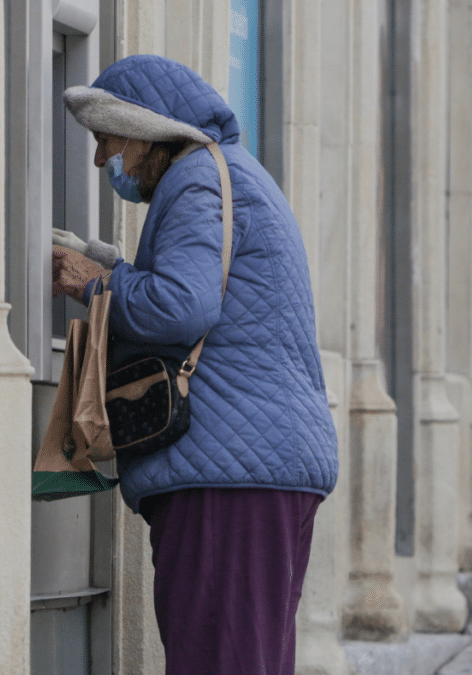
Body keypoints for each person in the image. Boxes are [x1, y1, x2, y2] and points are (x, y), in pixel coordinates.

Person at [51, 54, 338, 675]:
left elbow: (180, 307)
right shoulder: (233, 176)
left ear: (149, 131)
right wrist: (105, 261)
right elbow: (208, 288)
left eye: (107, 139)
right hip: (258, 466)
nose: (102, 160)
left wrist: (92, 284)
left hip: (228, 476)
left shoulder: (197, 179)